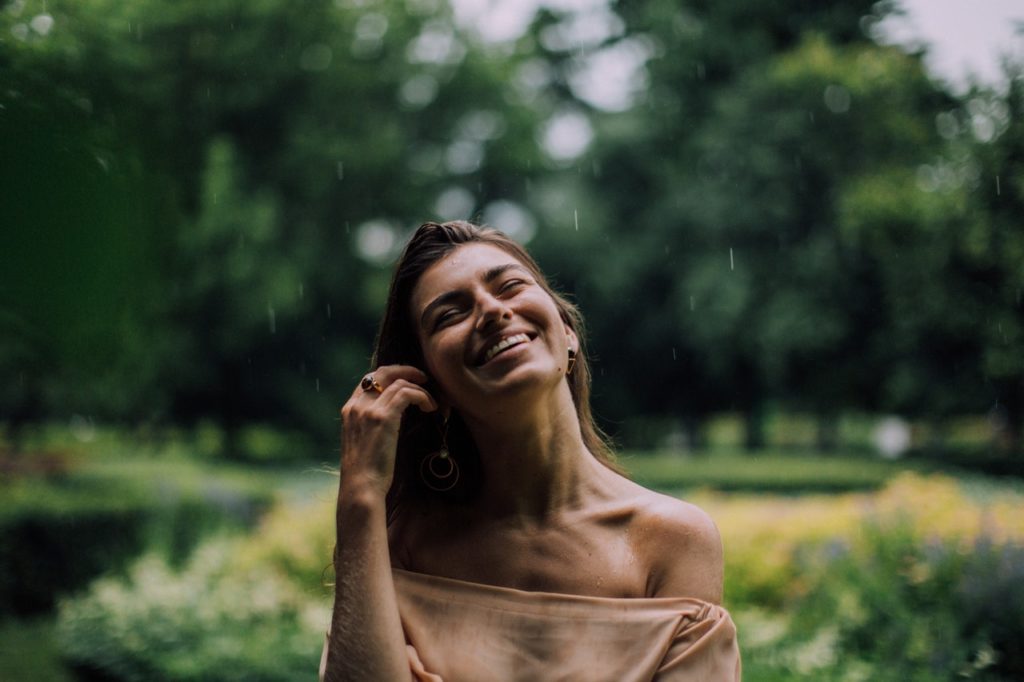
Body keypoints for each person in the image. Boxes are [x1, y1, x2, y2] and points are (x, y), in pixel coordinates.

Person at [321, 220, 740, 681]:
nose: (490, 310)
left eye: (510, 286)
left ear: (567, 332)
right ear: (426, 382)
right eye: (449, 315)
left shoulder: (671, 541)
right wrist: (359, 496)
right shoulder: (405, 543)